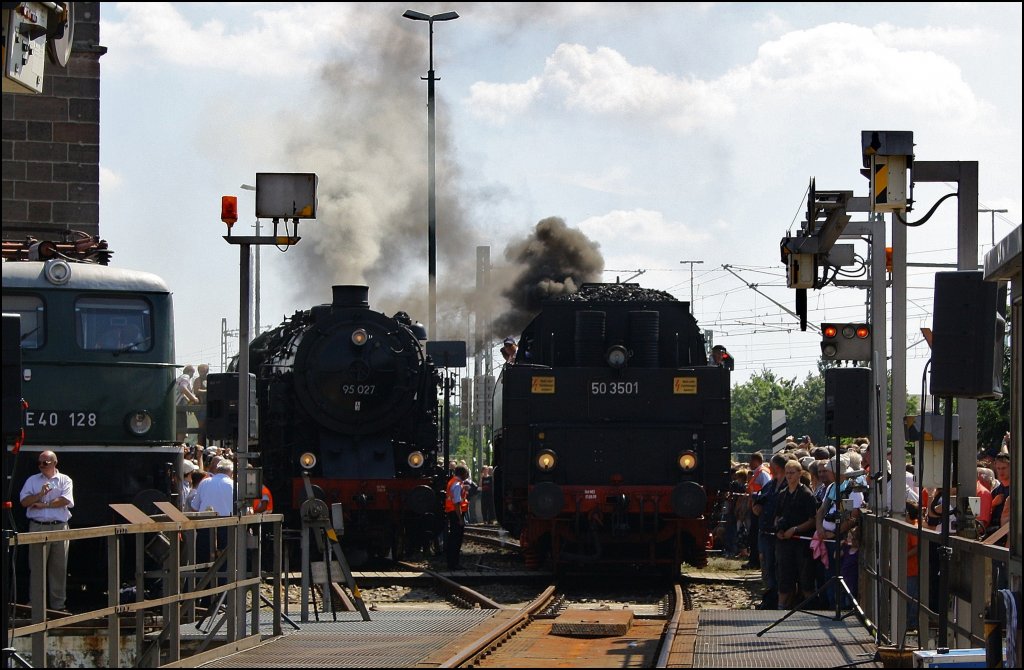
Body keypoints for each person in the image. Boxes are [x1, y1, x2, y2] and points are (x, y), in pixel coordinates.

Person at [19, 450, 75, 612]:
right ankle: (36, 605)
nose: (42, 466)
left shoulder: (65, 480)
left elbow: (66, 500)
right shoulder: (32, 480)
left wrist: (45, 504)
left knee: (59, 568)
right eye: (39, 463)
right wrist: (40, 494)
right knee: (37, 568)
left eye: (45, 462)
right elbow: (24, 501)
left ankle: (58, 606)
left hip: (59, 527)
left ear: (55, 463)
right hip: (37, 526)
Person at [773, 459, 819, 609]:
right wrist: (778, 529)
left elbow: (813, 519)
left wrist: (796, 529)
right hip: (785, 542)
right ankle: (781, 607)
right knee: (784, 577)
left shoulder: (806, 494)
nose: (789, 476)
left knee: (806, 578)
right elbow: (777, 516)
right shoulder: (782, 494)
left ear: (799, 473)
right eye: (787, 473)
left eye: (792, 473)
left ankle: (810, 608)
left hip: (802, 542)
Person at [445, 465, 470, 570]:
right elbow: (456, 503)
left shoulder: (454, 482)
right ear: (463, 474)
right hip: (456, 514)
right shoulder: (457, 484)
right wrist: (460, 519)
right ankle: (453, 563)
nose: (467, 475)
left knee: (454, 538)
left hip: (453, 513)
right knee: (456, 539)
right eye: (467, 473)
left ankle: (453, 562)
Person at [175, 365, 198, 442]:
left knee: (178, 426)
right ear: (191, 372)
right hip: (179, 405)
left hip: (176, 404)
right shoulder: (186, 377)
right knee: (182, 426)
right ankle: (179, 445)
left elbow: (182, 393)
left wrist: (188, 400)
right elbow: (183, 388)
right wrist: (193, 398)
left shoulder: (179, 378)